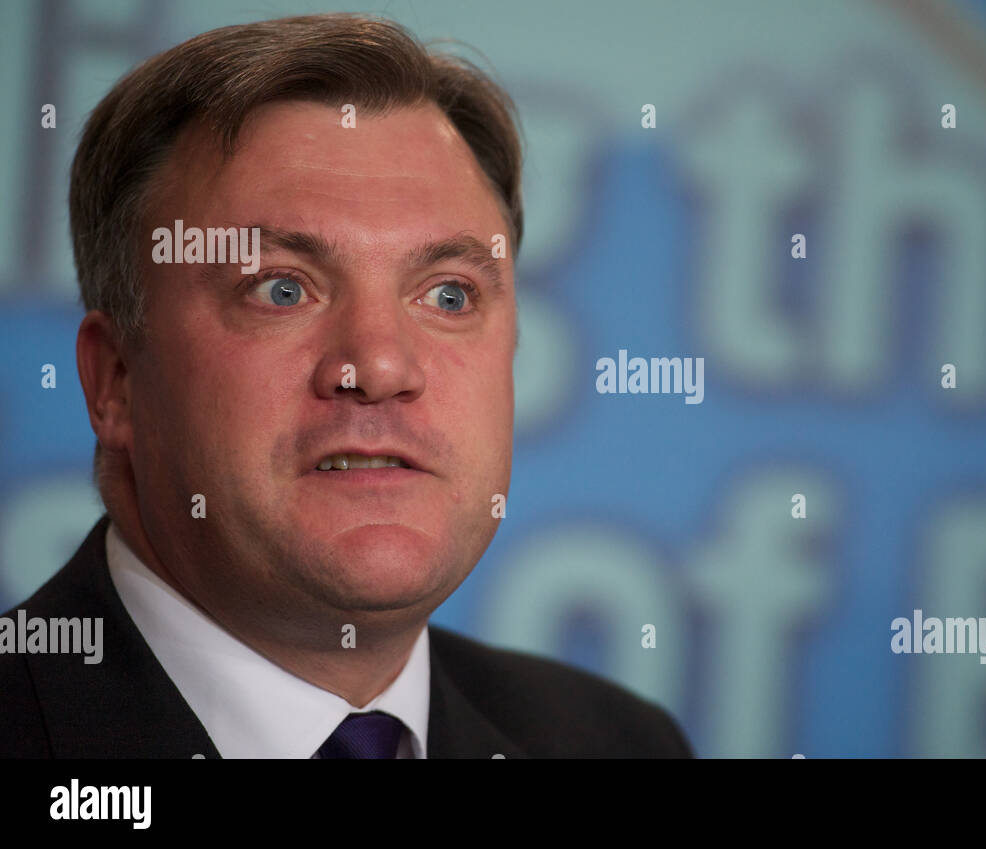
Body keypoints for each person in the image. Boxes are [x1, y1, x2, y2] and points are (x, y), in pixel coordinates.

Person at [0, 13, 692, 758]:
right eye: (281, 289)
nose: (381, 368)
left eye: (449, 295)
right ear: (116, 383)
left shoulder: (620, 742)